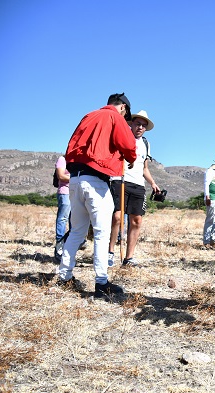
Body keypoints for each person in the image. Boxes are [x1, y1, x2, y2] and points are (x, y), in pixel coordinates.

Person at [56, 93, 137, 299]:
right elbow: (128, 144)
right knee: (102, 232)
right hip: (95, 181)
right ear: (123, 109)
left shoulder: (88, 115)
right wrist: (131, 158)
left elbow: (70, 146)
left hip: (75, 179)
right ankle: (101, 283)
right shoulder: (115, 117)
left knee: (76, 231)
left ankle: (64, 276)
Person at [108, 110, 160, 268]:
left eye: (144, 125)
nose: (140, 127)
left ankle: (128, 258)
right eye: (138, 124)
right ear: (131, 124)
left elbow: (144, 168)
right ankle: (109, 252)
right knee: (116, 217)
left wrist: (152, 183)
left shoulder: (146, 143)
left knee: (136, 220)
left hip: (138, 184)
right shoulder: (121, 136)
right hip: (119, 180)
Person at [54, 155, 71, 263]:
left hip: (77, 193)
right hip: (65, 192)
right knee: (62, 219)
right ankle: (59, 245)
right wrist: (76, 178)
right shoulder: (62, 159)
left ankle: (67, 246)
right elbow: (60, 176)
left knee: (76, 222)